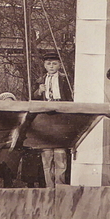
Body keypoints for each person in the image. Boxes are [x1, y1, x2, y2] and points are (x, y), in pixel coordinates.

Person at [34, 50, 72, 187]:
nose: (51, 66)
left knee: (60, 153)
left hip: (60, 115)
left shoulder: (65, 79)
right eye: (49, 64)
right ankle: (49, 185)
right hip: (45, 117)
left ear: (59, 65)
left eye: (54, 64)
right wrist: (39, 92)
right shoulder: (40, 80)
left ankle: (60, 184)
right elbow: (32, 98)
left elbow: (70, 97)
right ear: (44, 65)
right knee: (47, 153)